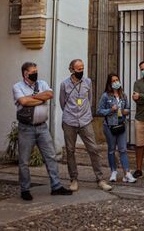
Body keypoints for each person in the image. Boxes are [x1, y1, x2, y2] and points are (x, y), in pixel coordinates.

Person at [13, 62, 73, 201]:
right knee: (24, 161)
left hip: (42, 127)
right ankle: (25, 189)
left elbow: (50, 94)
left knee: (50, 156)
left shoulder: (42, 83)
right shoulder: (17, 86)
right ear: (26, 74)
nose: (36, 73)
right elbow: (23, 102)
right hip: (26, 128)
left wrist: (32, 98)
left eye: (36, 71)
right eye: (33, 71)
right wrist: (39, 98)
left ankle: (56, 186)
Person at [59, 59, 111, 192]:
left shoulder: (88, 82)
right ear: (71, 69)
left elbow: (89, 100)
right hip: (69, 121)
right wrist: (71, 113)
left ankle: (100, 179)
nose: (81, 71)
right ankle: (74, 179)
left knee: (93, 149)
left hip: (85, 121)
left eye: (82, 68)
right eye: (78, 69)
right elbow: (62, 103)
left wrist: (85, 113)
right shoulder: (64, 84)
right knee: (70, 151)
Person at [97, 73, 136, 183]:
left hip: (121, 125)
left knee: (123, 149)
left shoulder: (123, 96)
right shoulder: (106, 96)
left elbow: (127, 108)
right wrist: (110, 110)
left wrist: (126, 111)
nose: (116, 82)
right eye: (113, 81)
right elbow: (99, 111)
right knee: (111, 150)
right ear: (110, 83)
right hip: (109, 126)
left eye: (117, 80)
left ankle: (127, 173)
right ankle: (113, 171)